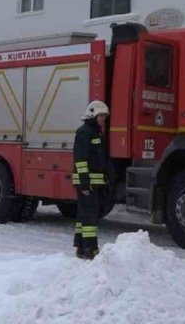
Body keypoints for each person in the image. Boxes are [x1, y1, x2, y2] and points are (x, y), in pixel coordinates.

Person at [72, 100, 110, 260]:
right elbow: (80, 159)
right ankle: (91, 248)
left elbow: (99, 159)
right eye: (101, 116)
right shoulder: (84, 132)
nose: (103, 119)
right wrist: (84, 182)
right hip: (86, 182)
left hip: (94, 181)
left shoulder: (96, 133)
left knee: (84, 214)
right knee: (90, 215)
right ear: (92, 115)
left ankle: (81, 247)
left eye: (104, 116)